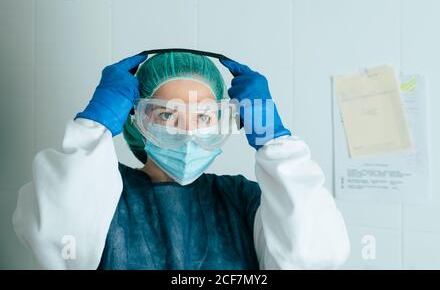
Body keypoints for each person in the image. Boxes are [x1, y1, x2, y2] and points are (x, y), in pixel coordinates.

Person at [12, 50, 350, 269]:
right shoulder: (103, 194)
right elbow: (52, 232)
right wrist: (94, 126)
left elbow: (317, 255)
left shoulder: (243, 201)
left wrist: (275, 142)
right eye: (167, 115)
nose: (188, 132)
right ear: (136, 120)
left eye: (203, 116)